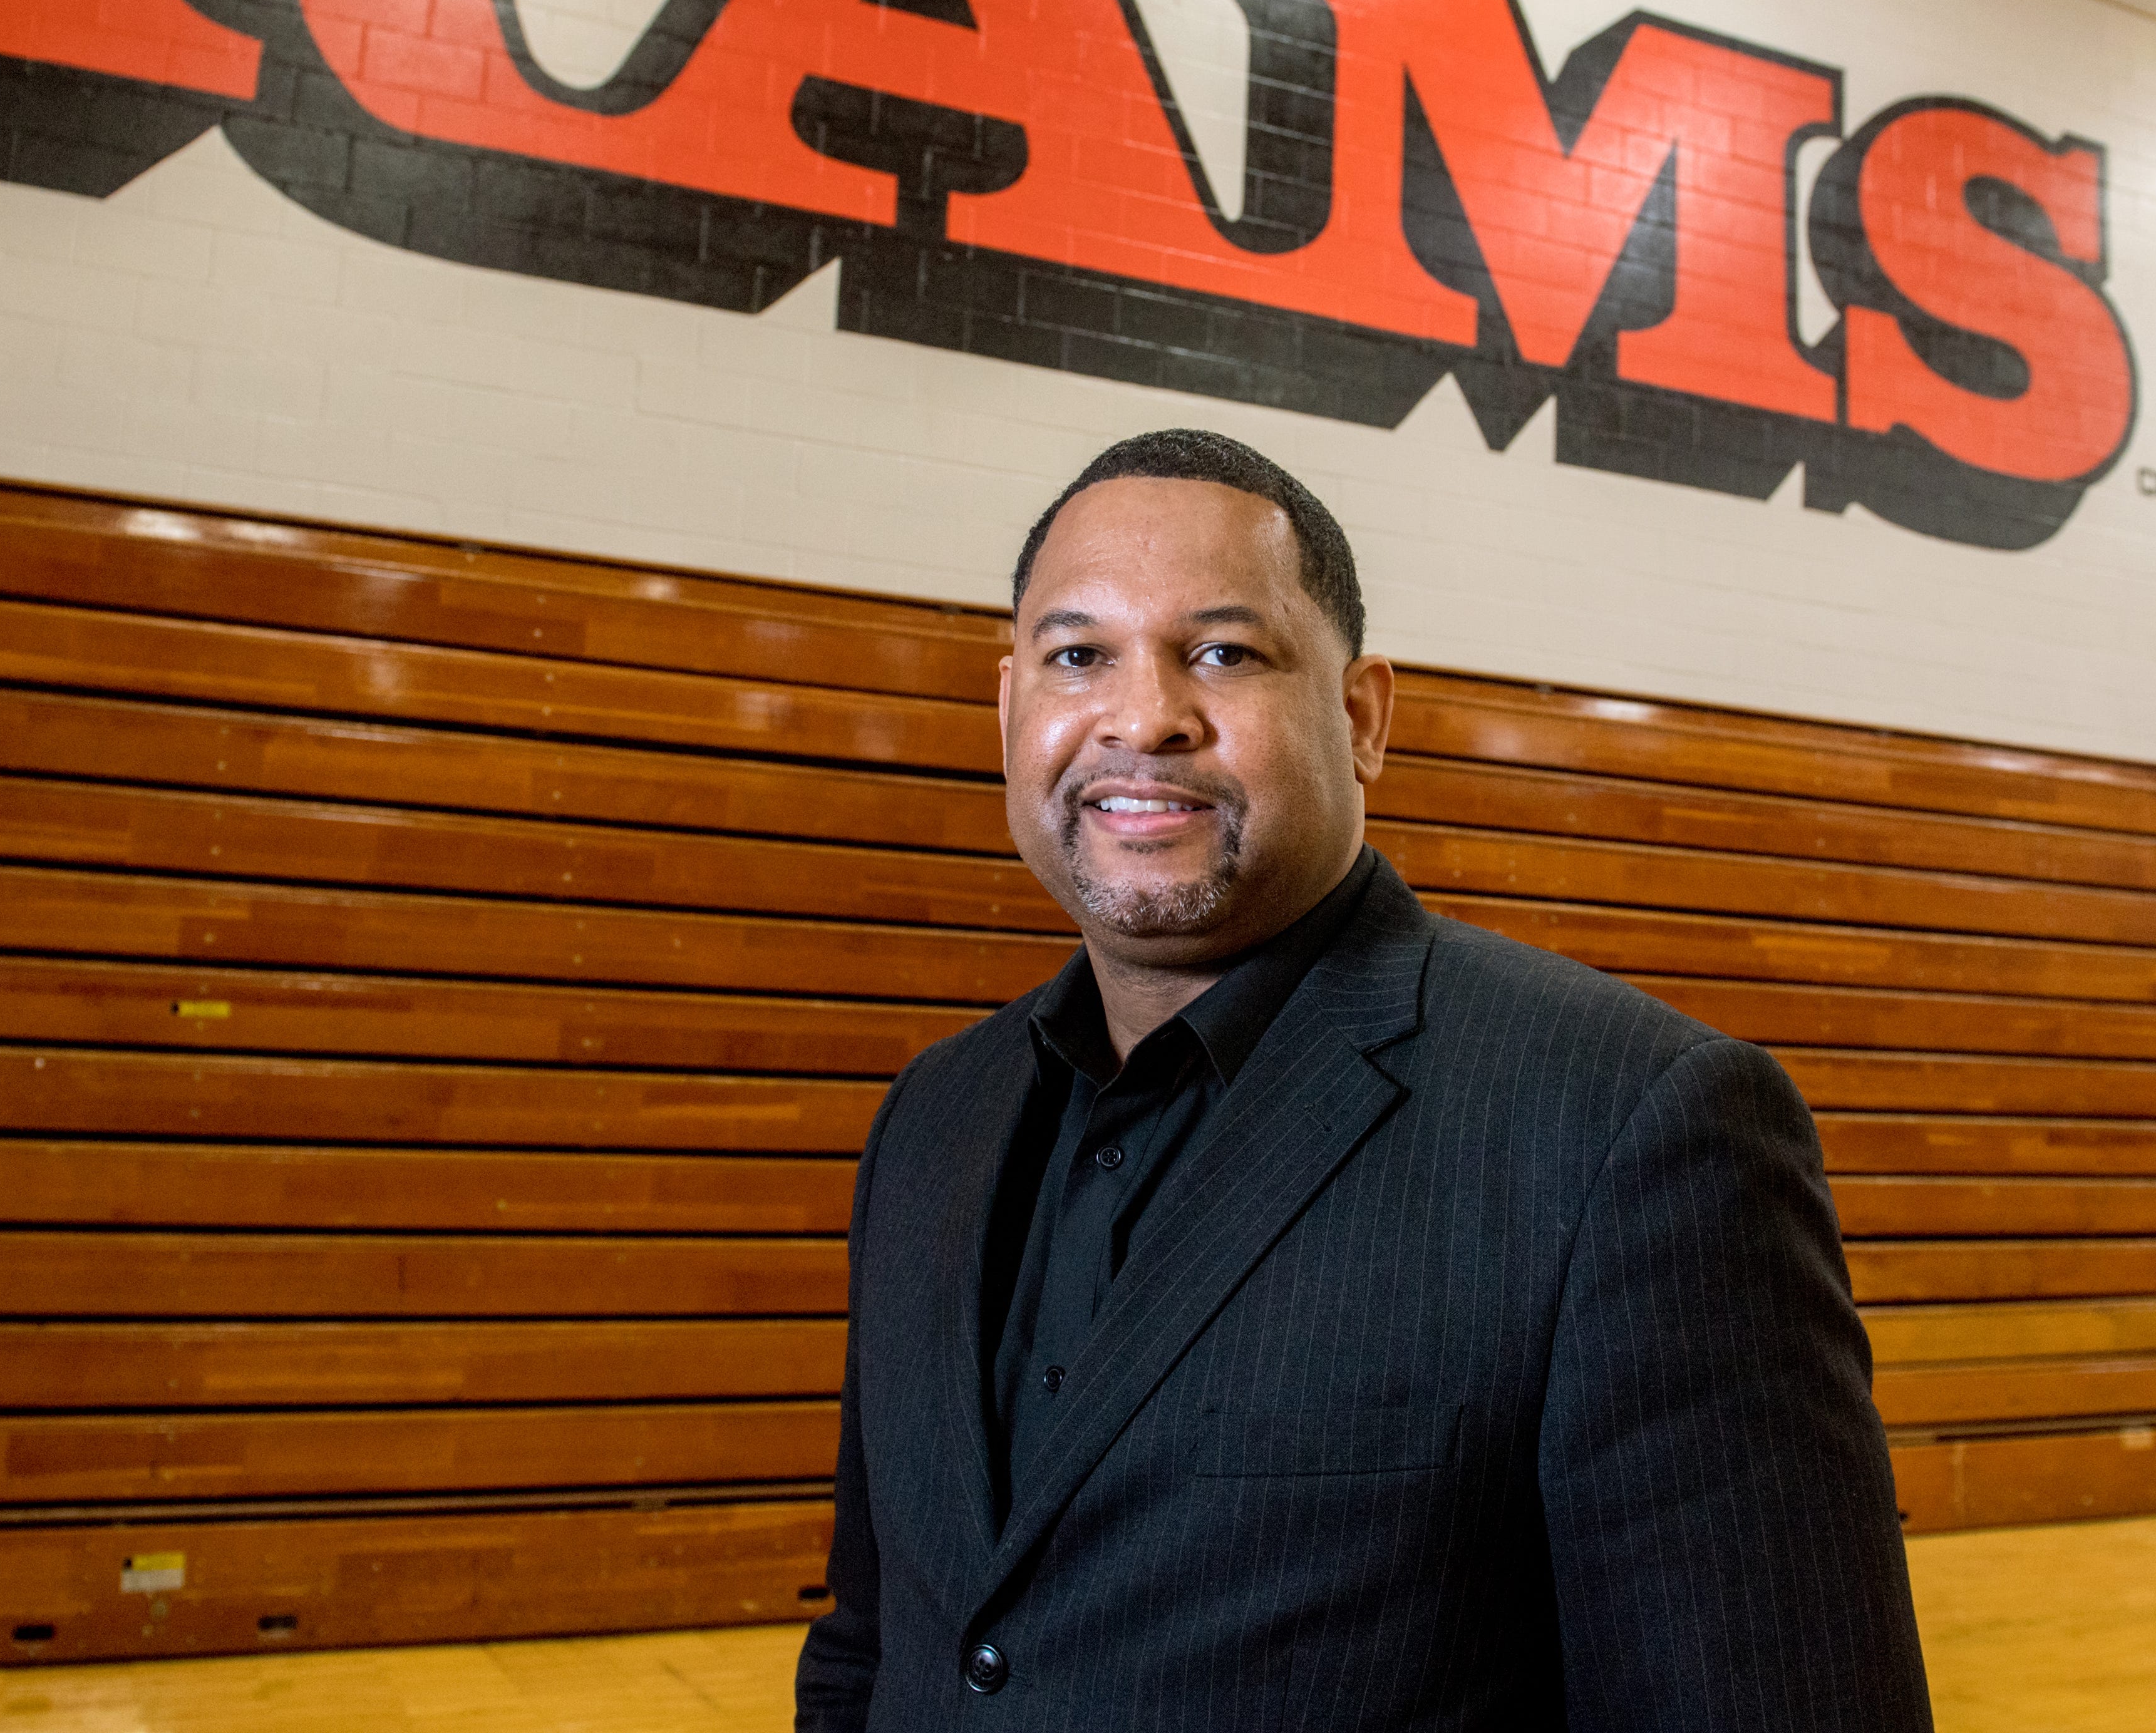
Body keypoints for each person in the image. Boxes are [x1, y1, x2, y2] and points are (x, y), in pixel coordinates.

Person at [797, 428, 1931, 1732]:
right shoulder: (933, 1119)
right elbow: (877, 1645)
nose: (1141, 713)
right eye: (1078, 655)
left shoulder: (1633, 1128)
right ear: (1010, 711)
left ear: (1361, 716)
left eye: (1223, 651)